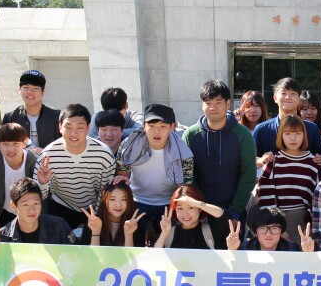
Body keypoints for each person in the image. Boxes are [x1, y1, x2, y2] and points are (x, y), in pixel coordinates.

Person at [182, 80, 257, 222]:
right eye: (208, 103)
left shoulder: (243, 135)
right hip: (199, 213)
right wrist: (198, 207)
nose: (213, 107)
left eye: (218, 102)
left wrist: (234, 211)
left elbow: (248, 175)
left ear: (228, 104)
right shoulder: (190, 135)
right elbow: (187, 175)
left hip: (233, 212)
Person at [117, 104, 195, 237]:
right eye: (151, 126)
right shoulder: (129, 145)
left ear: (172, 126)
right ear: (143, 126)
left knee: (171, 240)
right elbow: (123, 177)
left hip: (168, 201)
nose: (156, 131)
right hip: (137, 199)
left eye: (163, 126)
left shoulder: (183, 151)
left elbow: (184, 187)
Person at [36, 104, 116, 230]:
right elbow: (39, 195)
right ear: (60, 127)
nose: (74, 133)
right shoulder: (47, 156)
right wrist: (43, 183)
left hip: (93, 208)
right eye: (68, 127)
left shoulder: (104, 154)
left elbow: (106, 191)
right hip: (60, 206)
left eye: (80, 127)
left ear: (88, 127)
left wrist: (95, 217)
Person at [0, 178, 74, 281]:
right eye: (26, 204)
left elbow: (77, 259)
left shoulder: (59, 226)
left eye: (36, 203)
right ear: (14, 206)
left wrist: (90, 232)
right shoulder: (2, 236)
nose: (32, 210)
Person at [253, 115, 321, 242]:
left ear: (304, 135)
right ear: (281, 135)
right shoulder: (273, 162)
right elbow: (266, 198)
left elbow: (318, 199)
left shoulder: (314, 162)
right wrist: (278, 227)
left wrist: (311, 226)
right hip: (275, 222)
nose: (293, 138)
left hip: (303, 221)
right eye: (288, 133)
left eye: (298, 133)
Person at [0, 122, 37, 237]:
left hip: (32, 213)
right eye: (6, 144)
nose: (11, 149)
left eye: (16, 143)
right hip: (5, 212)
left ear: (25, 143)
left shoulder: (34, 162)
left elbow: (42, 199)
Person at [252, 77, 321, 168]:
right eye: (283, 93)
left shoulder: (312, 129)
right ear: (275, 98)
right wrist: (260, 160)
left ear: (299, 99)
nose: (288, 97)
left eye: (293, 93)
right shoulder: (262, 129)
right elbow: (250, 160)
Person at [1, 69, 60, 153]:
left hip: (50, 160)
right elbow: (5, 146)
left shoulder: (56, 116)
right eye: (26, 87)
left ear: (43, 92)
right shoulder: (10, 117)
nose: (30, 92)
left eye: (35, 88)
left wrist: (44, 153)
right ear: (19, 90)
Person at [154, 185, 228, 249]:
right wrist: (164, 234)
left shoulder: (211, 230)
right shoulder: (169, 233)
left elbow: (223, 215)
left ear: (199, 209)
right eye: (180, 208)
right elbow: (156, 256)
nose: (185, 214)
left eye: (191, 207)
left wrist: (197, 203)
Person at [80, 181, 146, 247]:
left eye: (123, 199)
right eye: (112, 199)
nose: (118, 205)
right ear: (104, 200)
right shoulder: (92, 223)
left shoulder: (136, 225)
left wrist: (129, 235)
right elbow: (90, 253)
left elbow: (134, 254)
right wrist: (95, 233)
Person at [226, 206, 315, 252]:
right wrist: (232, 251)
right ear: (256, 232)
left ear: (281, 231)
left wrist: (307, 254)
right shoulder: (245, 248)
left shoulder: (292, 249)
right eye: (263, 228)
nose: (268, 234)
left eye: (274, 228)